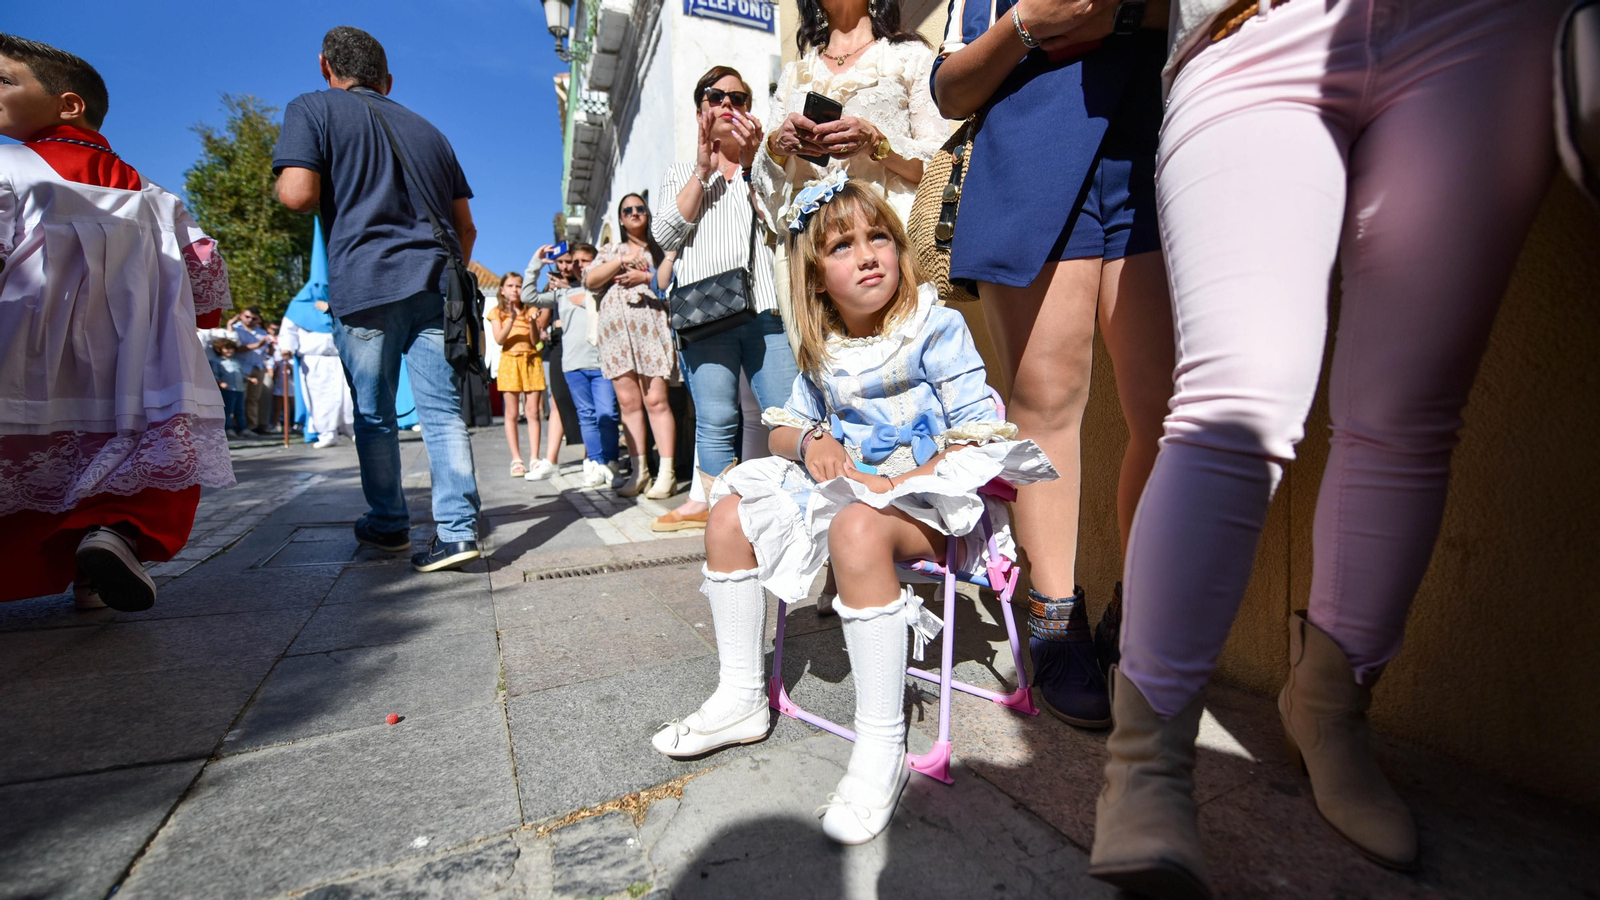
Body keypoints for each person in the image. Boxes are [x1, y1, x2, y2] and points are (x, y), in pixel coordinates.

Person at [1086, 1, 1570, 895]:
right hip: (1255, 24)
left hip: (1482, 28)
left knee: (1406, 413)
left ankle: (1329, 709)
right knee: (1239, 397)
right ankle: (1145, 763)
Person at [651, 176, 1057, 844]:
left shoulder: (934, 324)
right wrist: (812, 441)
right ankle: (741, 697)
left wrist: (914, 475)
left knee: (858, 523)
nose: (867, 255)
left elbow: (981, 426)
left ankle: (881, 744)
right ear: (815, 281)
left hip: (938, 502)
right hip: (856, 501)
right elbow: (784, 427)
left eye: (878, 238)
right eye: (843, 246)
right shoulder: (823, 350)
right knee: (729, 510)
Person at [932, 0, 1175, 727]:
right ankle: (1054, 622)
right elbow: (950, 89)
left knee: (1169, 415)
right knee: (1045, 407)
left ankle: (1137, 618)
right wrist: (1033, 20)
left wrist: (1117, 17)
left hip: (1157, 139)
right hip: (1032, 151)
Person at [0, 34, 235, 611]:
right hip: (139, 356)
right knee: (126, 454)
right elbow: (205, 267)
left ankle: (58, 562)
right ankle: (112, 539)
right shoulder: (153, 191)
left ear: (69, 103)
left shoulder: (9, 167)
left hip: (34, 347)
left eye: (5, 80)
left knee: (35, 454)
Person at [272, 26, 482, 573]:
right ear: (387, 80)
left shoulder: (312, 108)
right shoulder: (431, 132)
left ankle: (388, 524)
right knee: (441, 412)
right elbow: (466, 227)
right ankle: (458, 533)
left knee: (376, 414)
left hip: (364, 283)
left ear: (325, 67)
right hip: (435, 286)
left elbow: (297, 195)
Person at [653, 66, 802, 528]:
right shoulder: (681, 172)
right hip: (704, 315)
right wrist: (702, 171)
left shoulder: (766, 168)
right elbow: (664, 232)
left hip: (765, 311)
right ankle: (727, 538)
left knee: (787, 421)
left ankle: (790, 526)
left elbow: (786, 225)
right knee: (716, 422)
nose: (727, 105)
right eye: (716, 96)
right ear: (701, 108)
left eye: (738, 99)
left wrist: (759, 167)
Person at [760, 0, 947, 223]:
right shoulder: (795, 74)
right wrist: (776, 145)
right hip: (808, 240)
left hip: (884, 231)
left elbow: (940, 166)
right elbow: (762, 181)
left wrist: (876, 142)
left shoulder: (910, 57)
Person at [585, 194, 678, 498]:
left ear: (647, 215)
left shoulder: (659, 248)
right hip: (616, 335)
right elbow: (591, 280)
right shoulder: (610, 250)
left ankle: (667, 472)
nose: (635, 212)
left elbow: (673, 283)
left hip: (650, 328)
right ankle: (640, 472)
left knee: (656, 401)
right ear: (621, 219)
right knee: (628, 404)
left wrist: (645, 276)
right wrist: (621, 261)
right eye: (628, 210)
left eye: (640, 208)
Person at [532, 244, 617, 485]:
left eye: (578, 261)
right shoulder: (558, 289)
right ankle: (590, 461)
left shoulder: (601, 285)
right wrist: (541, 270)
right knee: (572, 409)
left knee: (606, 413)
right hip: (568, 355)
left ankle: (606, 462)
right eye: (568, 261)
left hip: (601, 359)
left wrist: (575, 291)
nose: (572, 266)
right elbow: (540, 314)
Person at [278, 220, 354, 448]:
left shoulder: (339, 298)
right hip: (315, 362)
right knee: (321, 398)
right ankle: (326, 433)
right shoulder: (299, 305)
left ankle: (353, 429)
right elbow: (288, 330)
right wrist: (286, 349)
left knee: (349, 397)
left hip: (342, 359)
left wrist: (331, 308)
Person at [488, 272, 552, 480]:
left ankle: (534, 457)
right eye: (510, 285)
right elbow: (499, 339)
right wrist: (512, 319)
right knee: (512, 413)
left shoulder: (531, 310)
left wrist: (533, 323)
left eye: (518, 286)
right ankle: (516, 459)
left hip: (531, 360)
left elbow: (534, 341)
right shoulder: (496, 312)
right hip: (510, 361)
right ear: (502, 290)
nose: (515, 289)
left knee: (533, 411)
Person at [229, 306, 275, 434]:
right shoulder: (235, 330)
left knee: (253, 399)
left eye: (253, 318)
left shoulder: (262, 333)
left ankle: (251, 426)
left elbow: (268, 354)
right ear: (241, 315)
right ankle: (236, 425)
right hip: (241, 368)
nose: (250, 320)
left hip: (258, 367)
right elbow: (235, 349)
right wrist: (257, 345)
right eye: (247, 317)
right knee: (239, 398)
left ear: (258, 319)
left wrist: (271, 347)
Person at [211, 338, 251, 436]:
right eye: (226, 348)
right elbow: (214, 375)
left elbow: (240, 374)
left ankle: (242, 428)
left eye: (231, 348)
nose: (230, 351)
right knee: (228, 410)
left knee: (240, 410)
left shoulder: (236, 362)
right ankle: (228, 428)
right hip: (228, 389)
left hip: (239, 389)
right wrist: (220, 382)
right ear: (219, 349)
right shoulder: (216, 362)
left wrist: (249, 379)